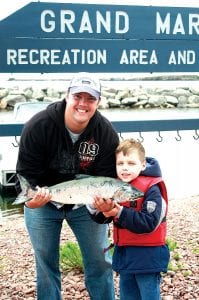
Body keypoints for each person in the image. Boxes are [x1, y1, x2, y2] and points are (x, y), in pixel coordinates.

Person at [15, 72, 119, 300]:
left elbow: (108, 179)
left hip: (86, 205)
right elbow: (25, 173)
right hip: (43, 201)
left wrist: (104, 209)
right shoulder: (38, 126)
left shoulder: (106, 133)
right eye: (77, 96)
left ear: (98, 102)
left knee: (100, 261)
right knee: (45, 261)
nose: (83, 104)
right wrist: (32, 201)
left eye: (90, 98)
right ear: (67, 97)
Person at [88, 138, 170, 300]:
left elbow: (149, 222)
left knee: (149, 296)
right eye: (120, 164)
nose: (125, 168)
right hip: (125, 255)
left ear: (143, 165)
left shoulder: (153, 188)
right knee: (127, 296)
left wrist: (118, 212)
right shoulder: (114, 186)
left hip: (148, 257)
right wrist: (93, 206)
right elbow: (102, 218)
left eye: (131, 163)